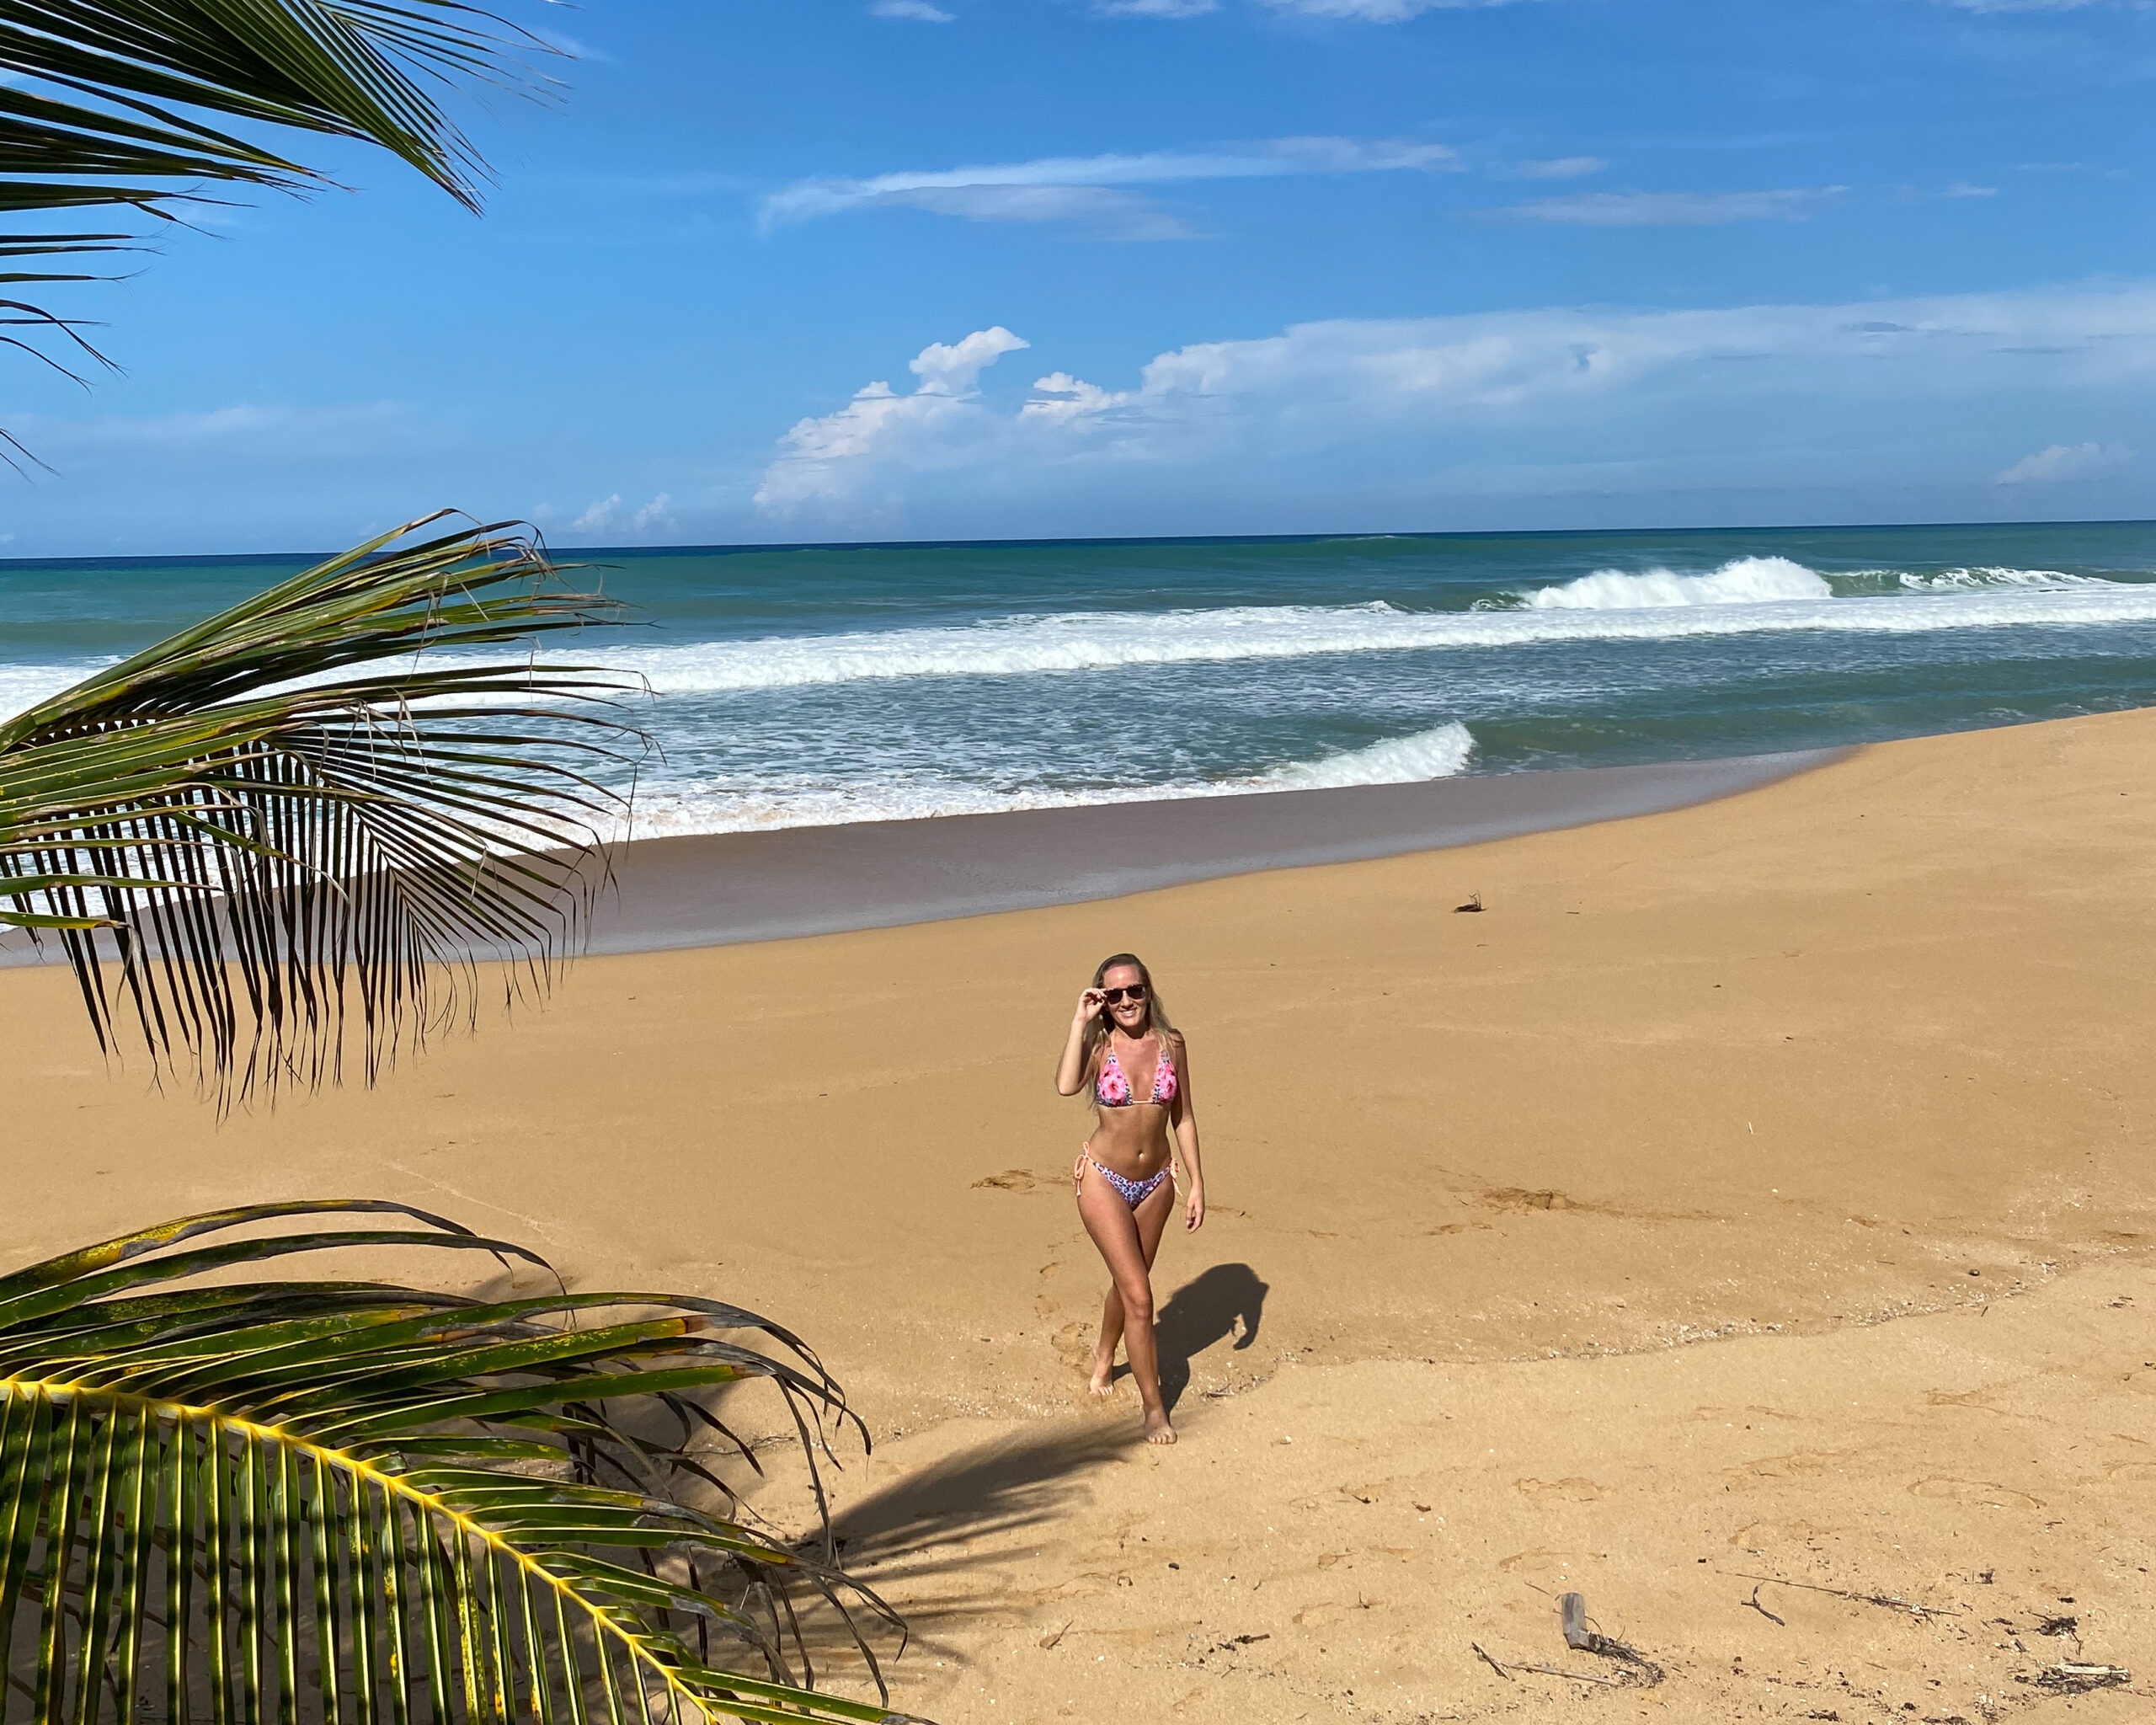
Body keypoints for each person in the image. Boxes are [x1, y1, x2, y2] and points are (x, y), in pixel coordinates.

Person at [1054, 951, 1206, 1445]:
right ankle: (1154, 1408)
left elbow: (1182, 1116)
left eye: (1134, 990)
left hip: (1157, 1182)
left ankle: (1103, 1357)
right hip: (1102, 1179)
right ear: (1103, 999)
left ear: (1148, 990)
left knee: (1130, 1283)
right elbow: (1064, 1086)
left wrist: (1198, 1184)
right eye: (1113, 993)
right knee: (1141, 1297)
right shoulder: (1099, 1046)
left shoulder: (1172, 1043)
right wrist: (1080, 1021)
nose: (1125, 1000)